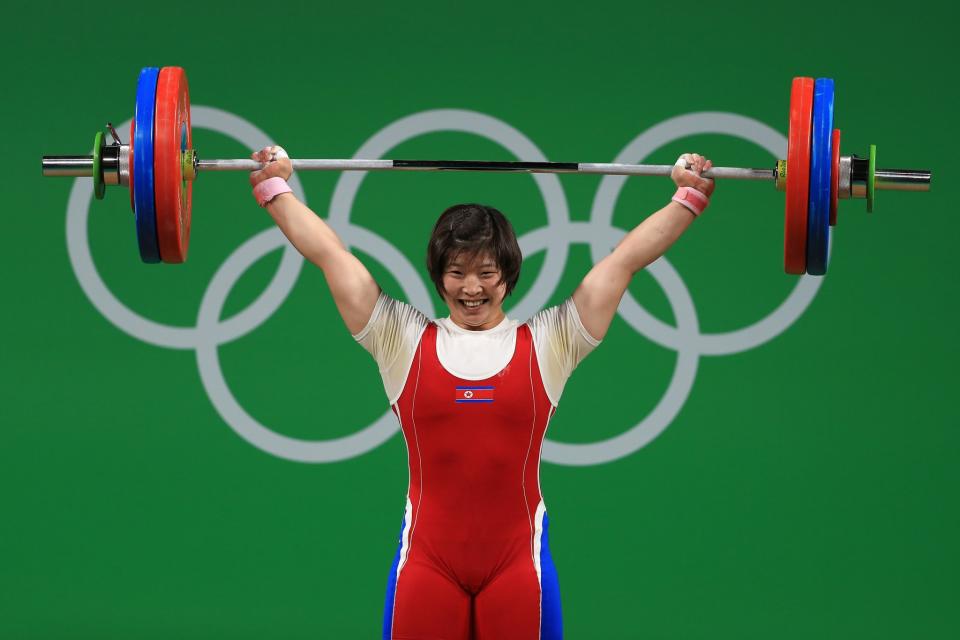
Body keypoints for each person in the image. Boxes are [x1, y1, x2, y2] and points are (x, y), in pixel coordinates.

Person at [249, 145, 715, 640]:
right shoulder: (400, 338)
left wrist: (688, 196)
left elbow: (624, 262)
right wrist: (274, 187)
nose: (472, 287)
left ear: (508, 276)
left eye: (486, 273)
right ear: (438, 276)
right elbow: (330, 255)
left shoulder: (549, 342)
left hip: (517, 564)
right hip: (428, 564)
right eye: (457, 272)